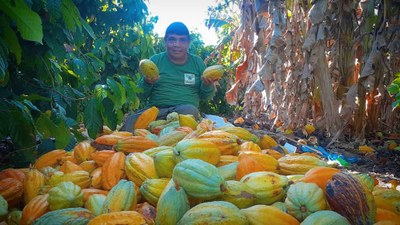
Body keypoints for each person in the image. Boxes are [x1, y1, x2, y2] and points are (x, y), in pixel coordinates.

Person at [120, 22, 216, 132]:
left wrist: (208, 86)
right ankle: (163, 129)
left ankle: (158, 130)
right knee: (130, 122)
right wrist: (147, 83)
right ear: (165, 41)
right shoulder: (155, 61)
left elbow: (206, 97)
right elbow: (140, 95)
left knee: (190, 110)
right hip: (156, 112)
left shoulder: (197, 63)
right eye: (172, 40)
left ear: (188, 42)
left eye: (182, 40)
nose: (177, 44)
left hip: (183, 113)